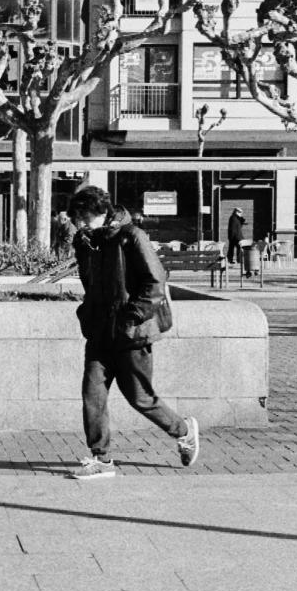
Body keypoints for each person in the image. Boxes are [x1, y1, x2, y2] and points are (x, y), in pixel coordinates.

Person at [67, 186, 199, 479]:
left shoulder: (132, 237)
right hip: (100, 333)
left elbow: (155, 282)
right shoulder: (88, 241)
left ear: (103, 212)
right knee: (93, 394)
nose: (80, 225)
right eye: (77, 220)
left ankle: (184, 430)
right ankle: (101, 459)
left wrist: (130, 317)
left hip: (131, 334)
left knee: (140, 397)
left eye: (85, 218)